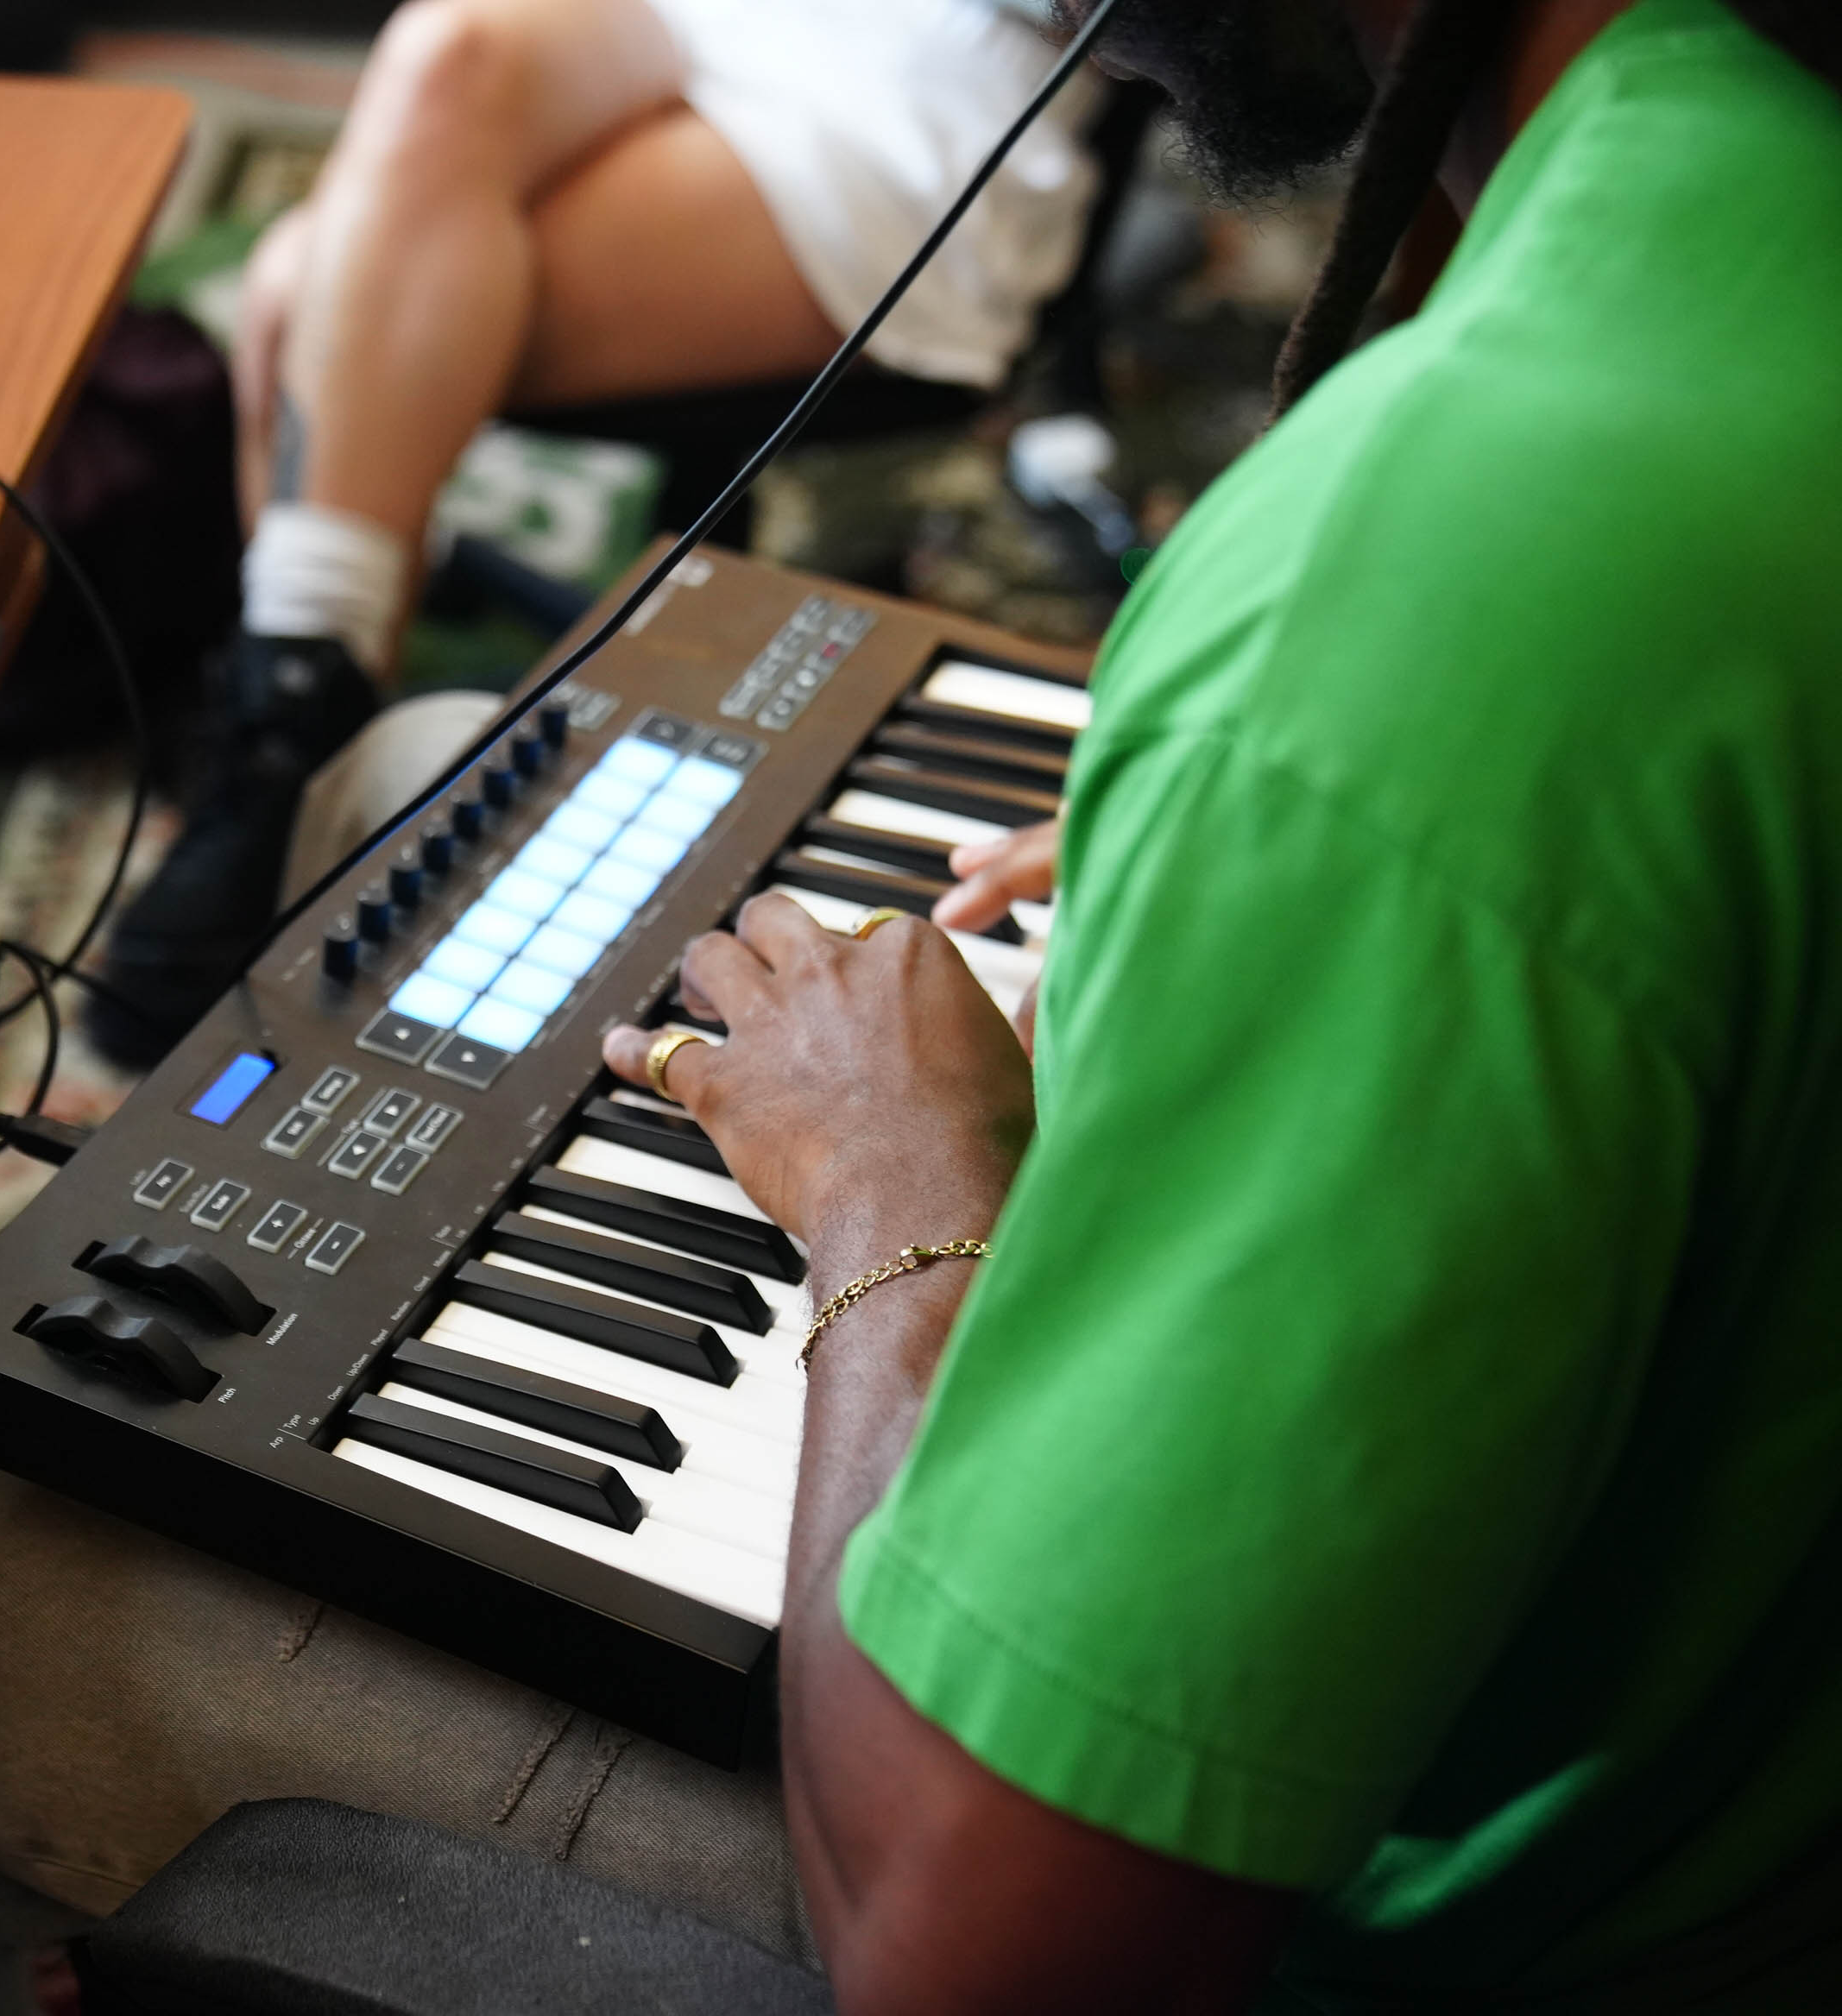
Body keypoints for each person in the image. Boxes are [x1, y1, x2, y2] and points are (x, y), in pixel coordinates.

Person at [584, 0, 1842, 2004]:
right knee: (419, 767)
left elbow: (964, 1955)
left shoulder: (1445, 581)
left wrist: (893, 1197)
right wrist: (1323, 877)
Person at [92, 0, 1109, 1055]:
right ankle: (306, 712)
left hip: (927, 63)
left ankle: (293, 726)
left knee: (308, 288)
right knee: (444, 50)